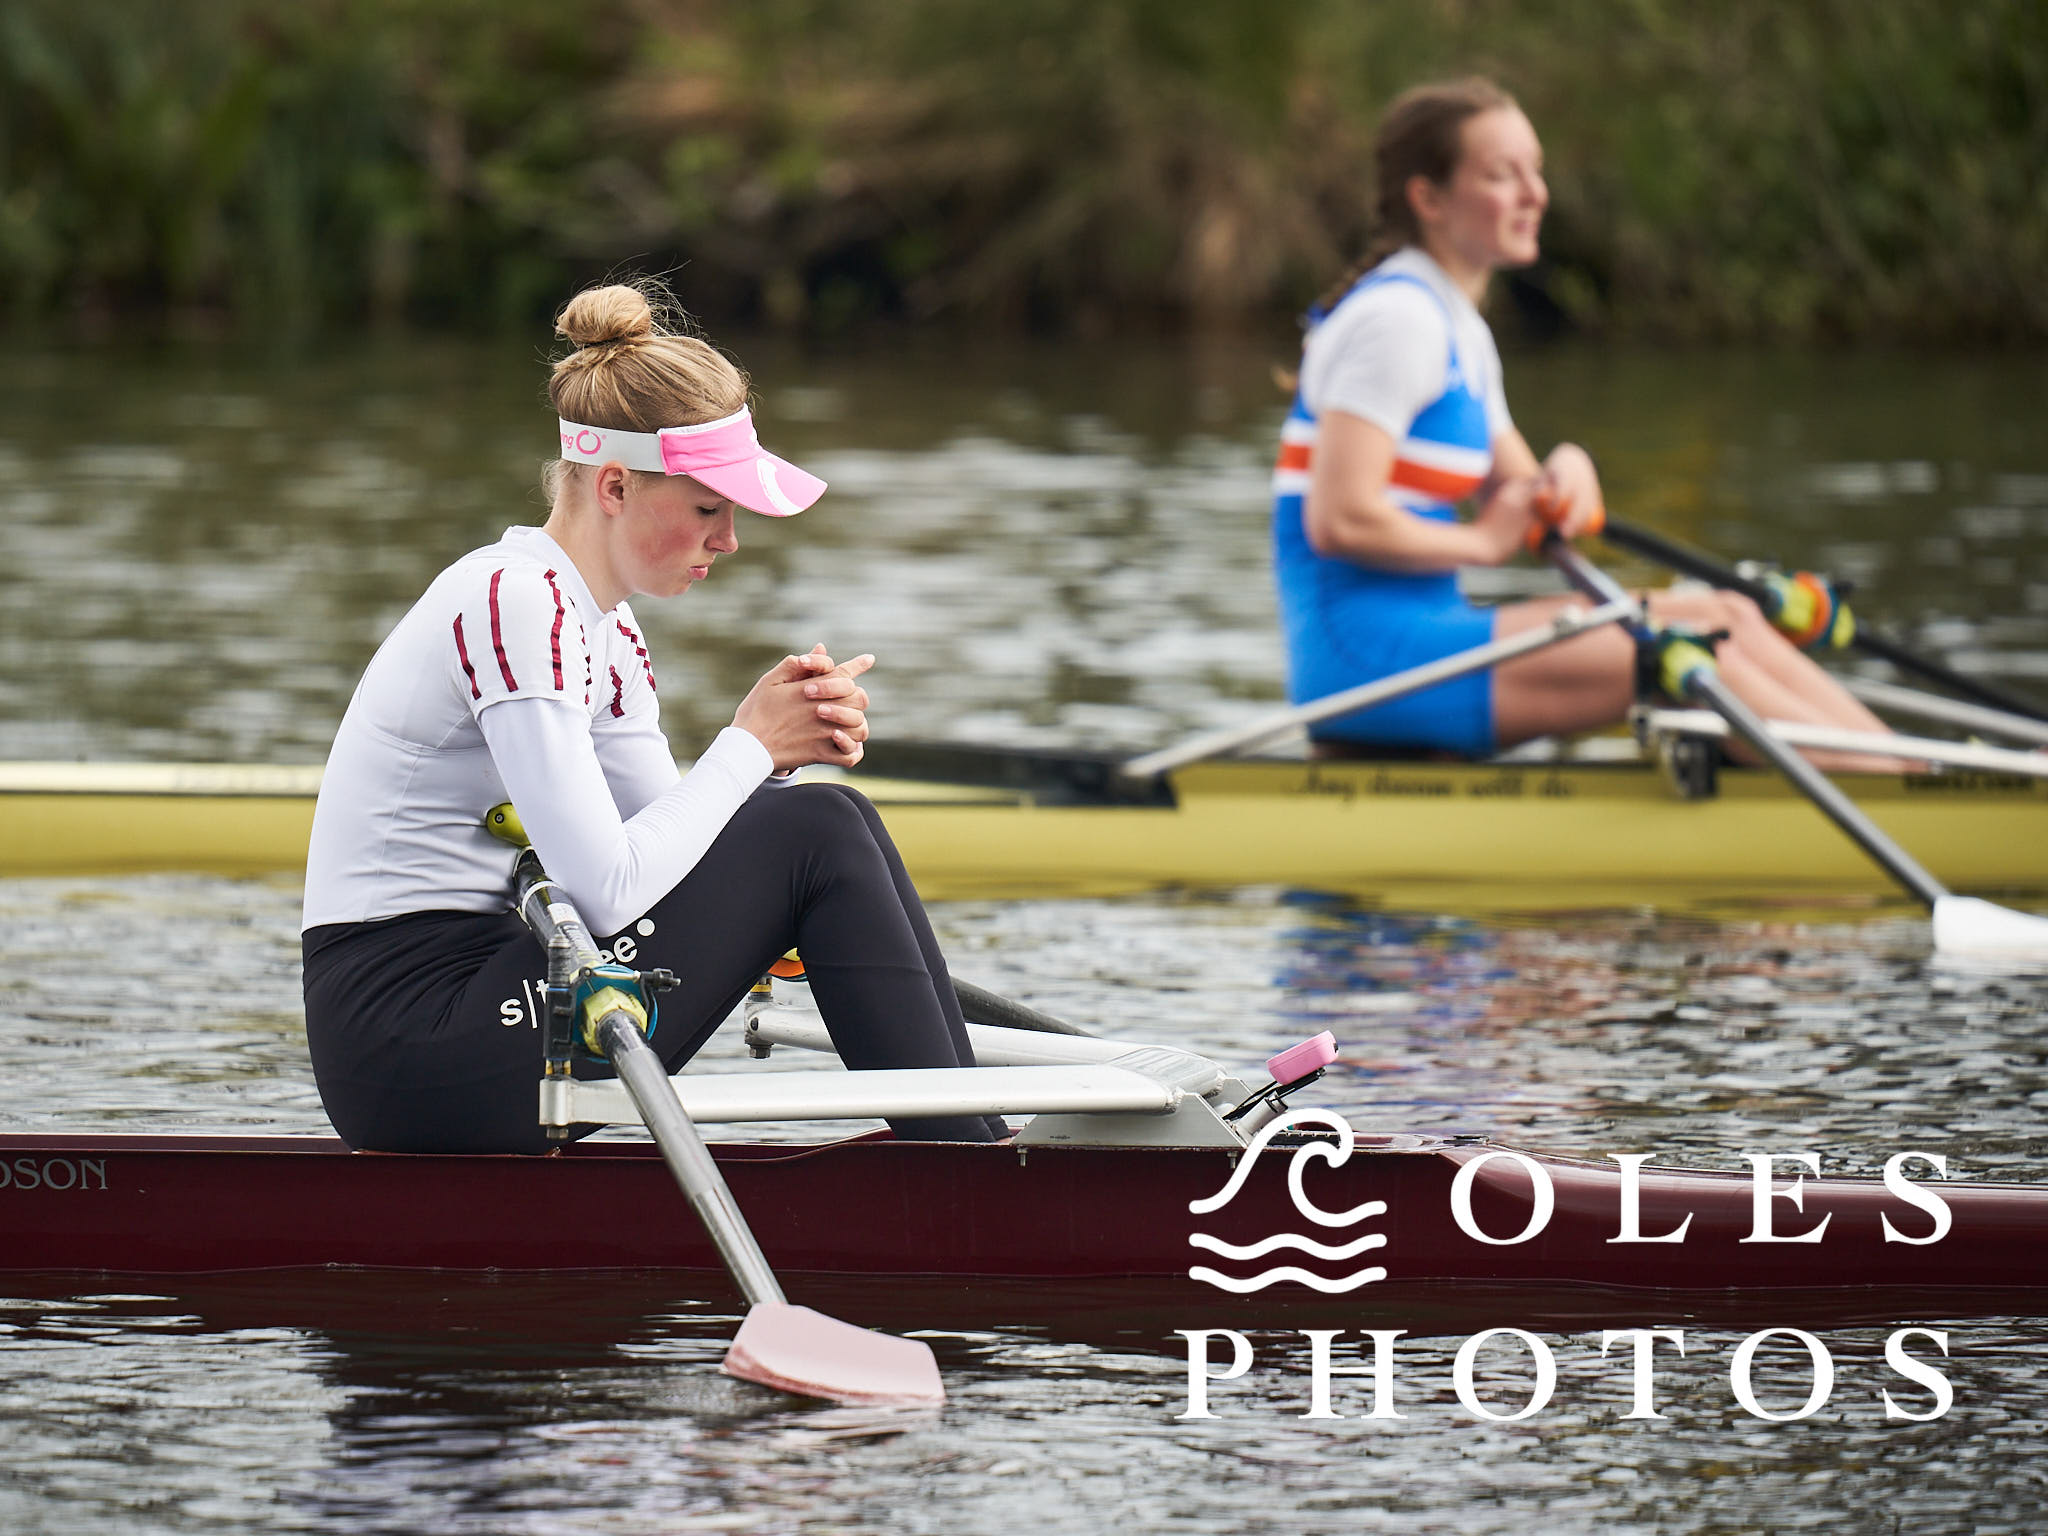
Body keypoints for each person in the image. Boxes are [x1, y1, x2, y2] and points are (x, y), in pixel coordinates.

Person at [301, 280, 1004, 1154]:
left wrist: (775, 758)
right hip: (408, 1040)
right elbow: (607, 886)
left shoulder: (604, 626)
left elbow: (667, 851)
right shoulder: (514, 602)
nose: (729, 539)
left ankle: (975, 1148)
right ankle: (969, 1170)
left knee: (831, 818)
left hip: (500, 984)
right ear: (614, 486)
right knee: (818, 830)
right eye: (709, 507)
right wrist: (750, 747)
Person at [1271, 77, 1891, 761]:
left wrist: (1567, 467)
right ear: (1429, 199)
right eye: (1503, 175)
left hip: (1425, 637)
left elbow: (1529, 501)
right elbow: (1339, 520)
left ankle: (1916, 774)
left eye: (1535, 170)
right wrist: (1483, 543)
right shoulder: (1399, 321)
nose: (1535, 194)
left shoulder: (1455, 325)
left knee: (1733, 614)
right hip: (1365, 662)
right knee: (1695, 644)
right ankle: (1907, 790)